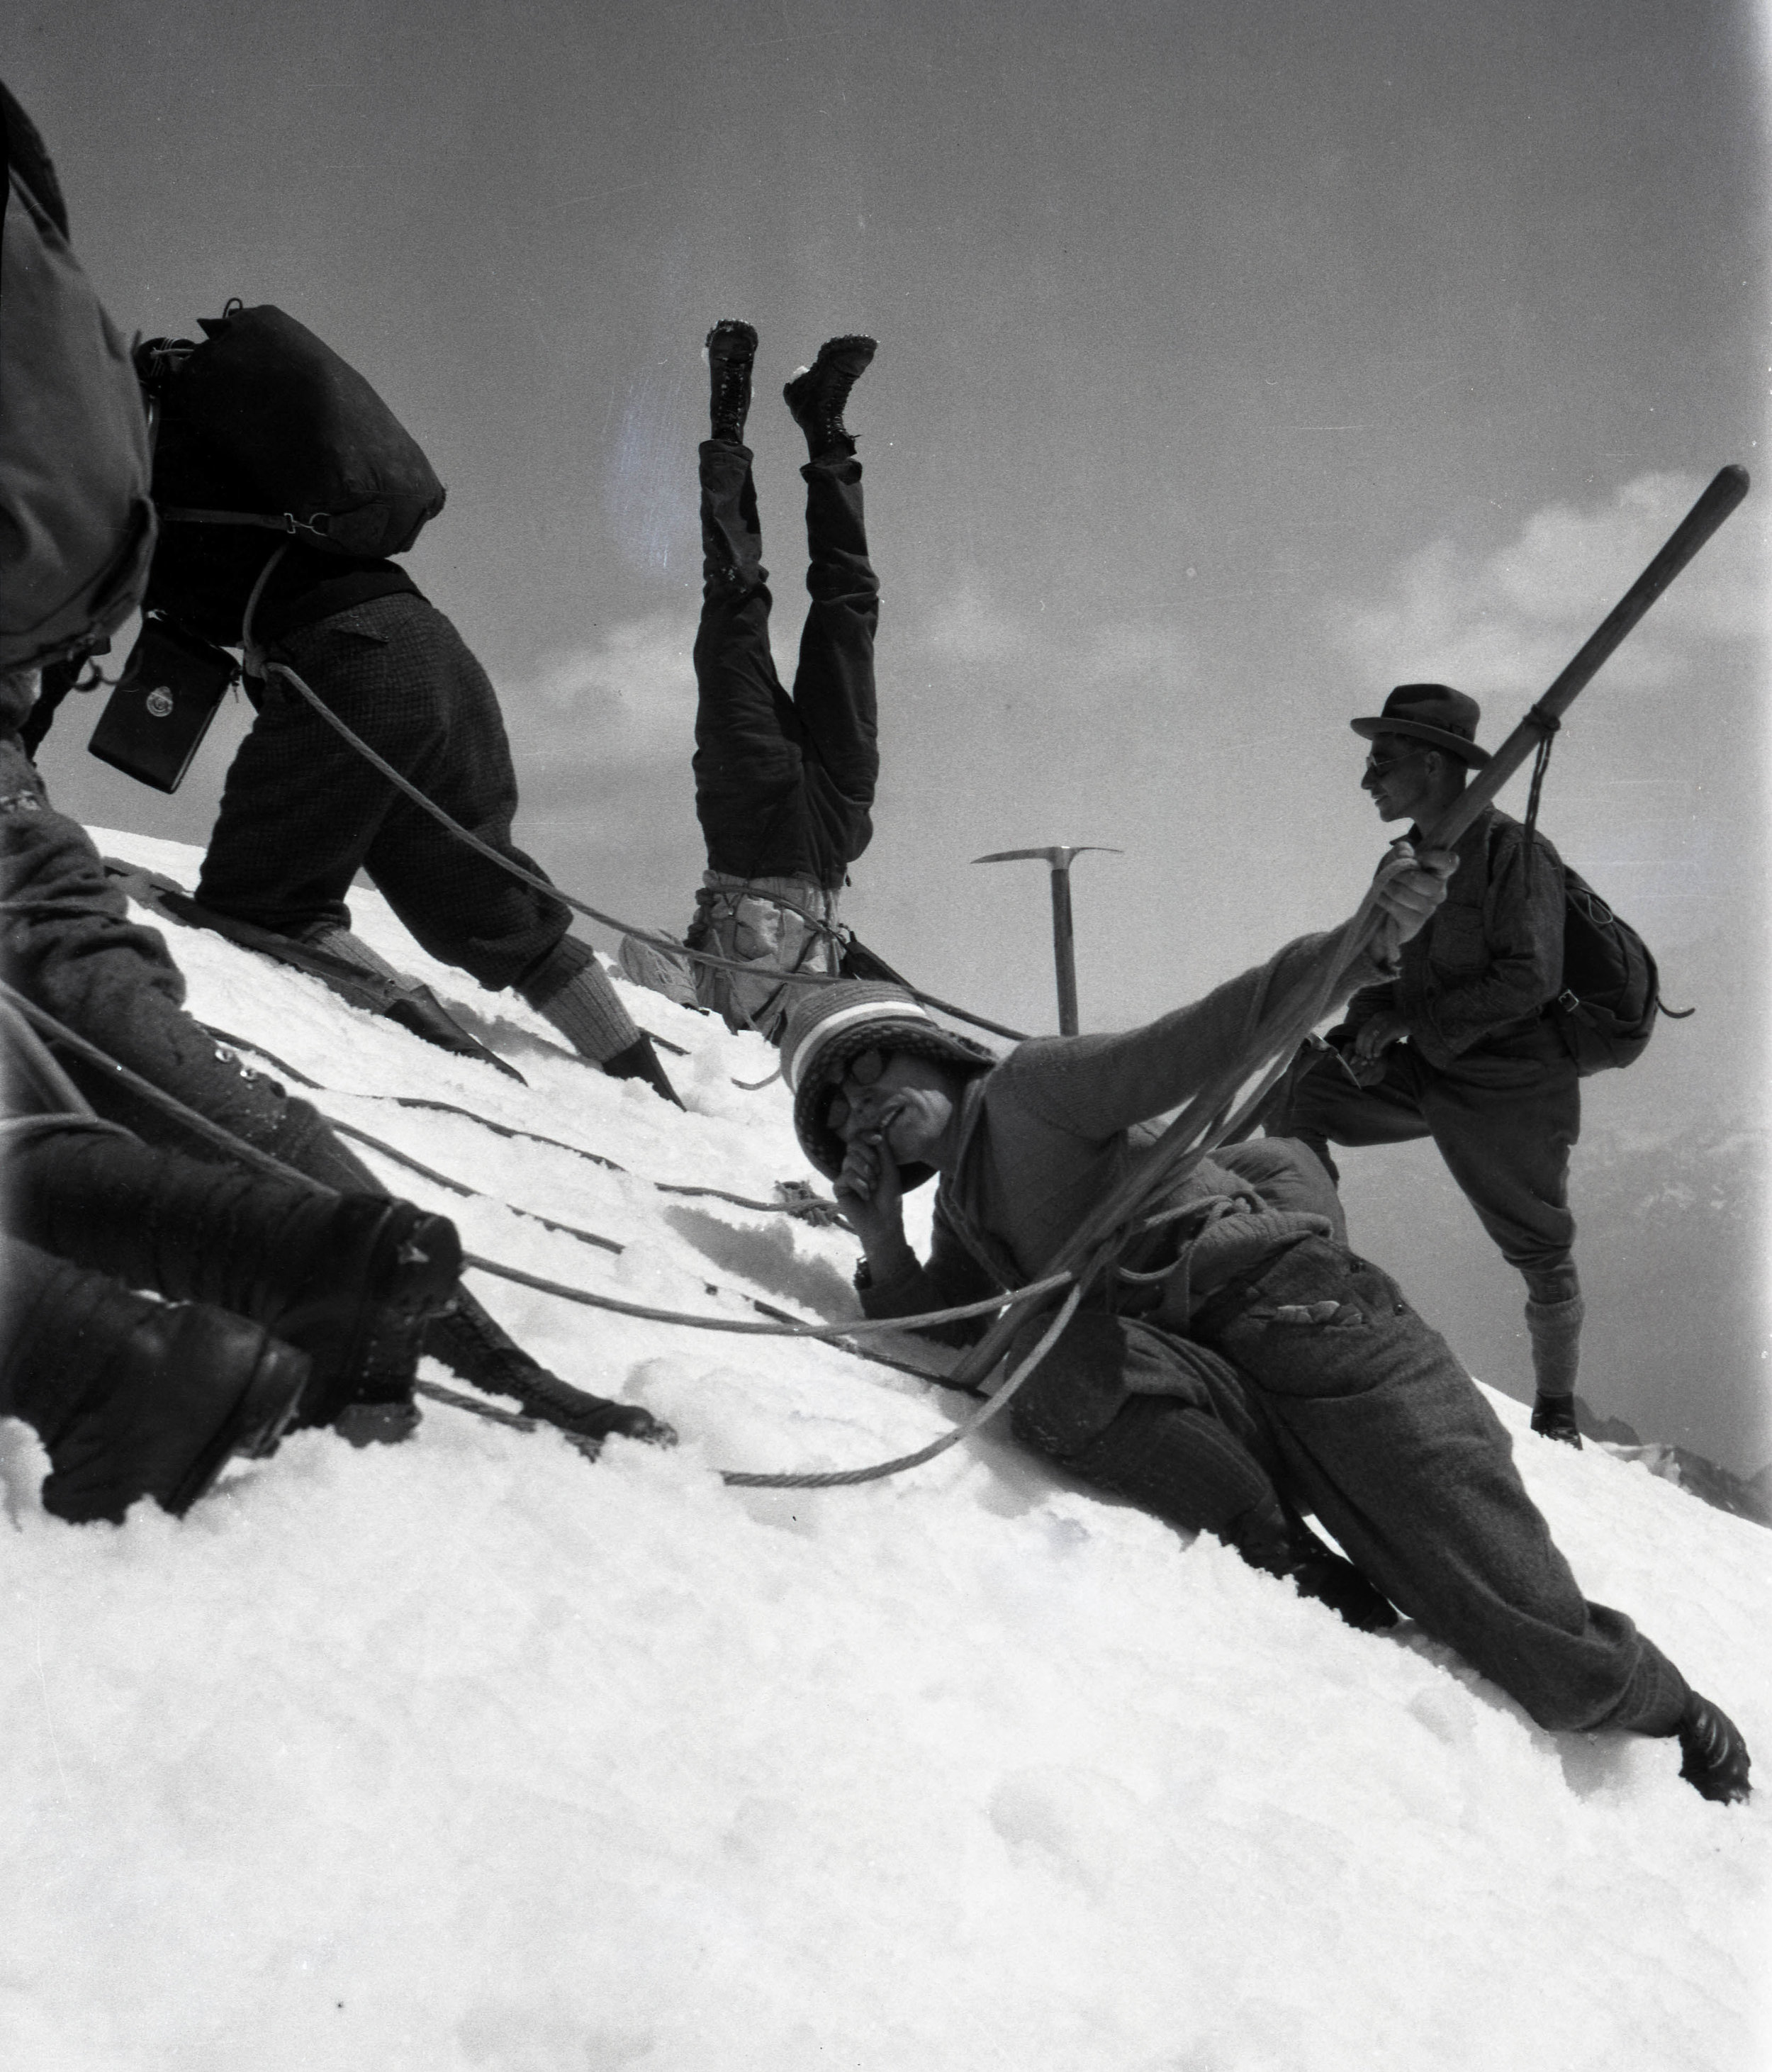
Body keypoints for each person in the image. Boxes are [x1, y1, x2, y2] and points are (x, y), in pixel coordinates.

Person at [776, 856, 1751, 1806]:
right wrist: (877, 1235)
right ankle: (1295, 1562)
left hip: (1310, 1320)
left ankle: (1677, 1709)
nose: (866, 1101)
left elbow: (1206, 1039)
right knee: (1044, 1360)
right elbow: (941, 1330)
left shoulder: (1032, 1089)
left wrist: (1359, 948)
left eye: (867, 1065)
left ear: (925, 1044)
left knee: (1539, 1648)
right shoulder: (963, 1212)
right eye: (842, 1108)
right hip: (1213, 1368)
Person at [0, 81, 666, 1455]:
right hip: (414, 653)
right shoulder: (66, 290)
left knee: (214, 925)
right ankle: (408, 1253)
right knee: (474, 905)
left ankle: (147, 1352)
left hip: (334, 677)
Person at [126, 320, 681, 1107]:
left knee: (261, 901)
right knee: (496, 905)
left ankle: (434, 1043)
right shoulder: (236, 443)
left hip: (348, 662)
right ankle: (652, 1094)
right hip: (432, 647)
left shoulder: (144, 464)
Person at [1264, 684, 1586, 1445]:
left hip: (1511, 1086)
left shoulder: (1515, 854)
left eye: (1382, 760)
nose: (1366, 780)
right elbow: (1381, 965)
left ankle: (1557, 1410)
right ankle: (1320, 1286)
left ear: (1437, 765)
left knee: (1541, 1250)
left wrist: (1407, 1020)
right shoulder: (1404, 862)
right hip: (1424, 1072)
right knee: (1304, 1094)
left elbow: (1529, 978)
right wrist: (1367, 1028)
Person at [620, 323, 881, 1041]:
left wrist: (695, 1023)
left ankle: (727, 418)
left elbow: (644, 950)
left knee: (734, 599)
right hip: (831, 829)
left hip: (744, 822)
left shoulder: (708, 1022)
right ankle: (824, 431)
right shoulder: (810, 1051)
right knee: (849, 616)